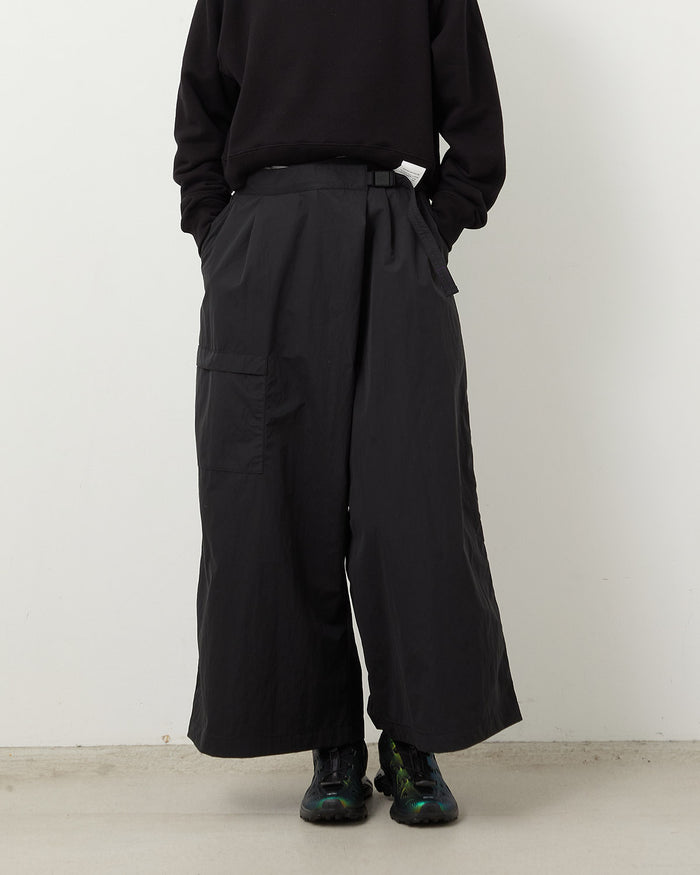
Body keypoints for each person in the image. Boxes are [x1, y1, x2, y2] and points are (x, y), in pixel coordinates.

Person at [172, 0, 523, 827]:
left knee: (414, 502)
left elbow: (478, 132)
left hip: (389, 236)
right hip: (264, 241)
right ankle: (328, 740)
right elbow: (198, 122)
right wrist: (221, 237)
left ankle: (413, 739)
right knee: (273, 496)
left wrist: (429, 230)